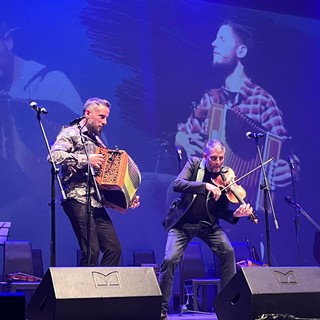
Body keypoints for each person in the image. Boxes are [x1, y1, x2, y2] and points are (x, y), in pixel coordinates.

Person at [175, 19, 299, 194]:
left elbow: (286, 153)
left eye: (222, 39)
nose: (213, 43)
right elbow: (180, 135)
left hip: (244, 199)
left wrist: (289, 169)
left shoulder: (262, 101)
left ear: (241, 51)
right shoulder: (210, 100)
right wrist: (186, 143)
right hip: (207, 193)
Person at [158, 139, 253, 319]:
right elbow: (178, 184)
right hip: (183, 225)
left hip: (208, 226)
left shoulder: (226, 177)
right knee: (170, 259)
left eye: (221, 158)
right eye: (214, 158)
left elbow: (223, 211)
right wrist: (205, 186)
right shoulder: (194, 164)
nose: (217, 163)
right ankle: (161, 309)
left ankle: (229, 306)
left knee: (228, 252)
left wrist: (236, 215)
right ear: (205, 156)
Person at [50, 97, 140, 266]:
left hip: (96, 201)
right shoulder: (70, 133)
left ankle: (103, 290)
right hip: (77, 198)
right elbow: (53, 156)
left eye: (106, 118)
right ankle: (86, 292)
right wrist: (86, 159)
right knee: (91, 251)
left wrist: (127, 196)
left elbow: (106, 176)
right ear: (88, 113)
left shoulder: (97, 140)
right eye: (101, 117)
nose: (105, 122)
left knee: (114, 249)